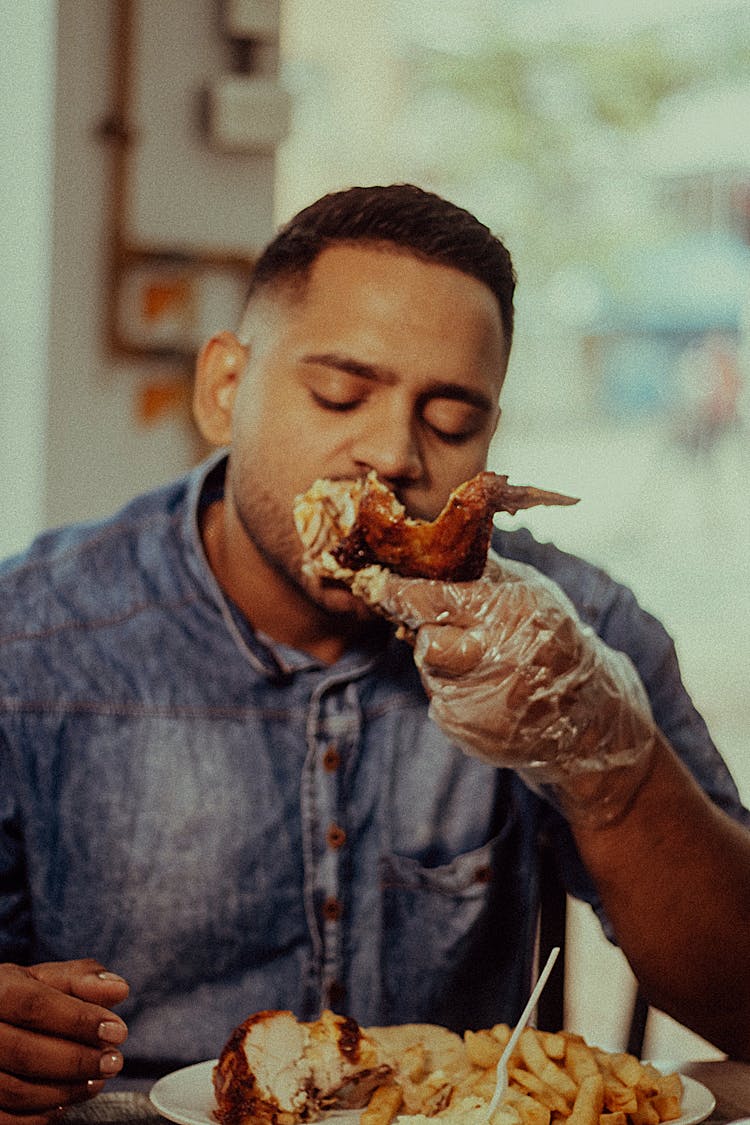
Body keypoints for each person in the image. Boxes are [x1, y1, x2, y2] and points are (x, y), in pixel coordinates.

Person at [1, 184, 749, 1123]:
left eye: (449, 422)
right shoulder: (27, 636)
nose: (393, 453)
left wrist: (616, 767)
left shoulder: (569, 633)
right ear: (224, 387)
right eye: (340, 393)